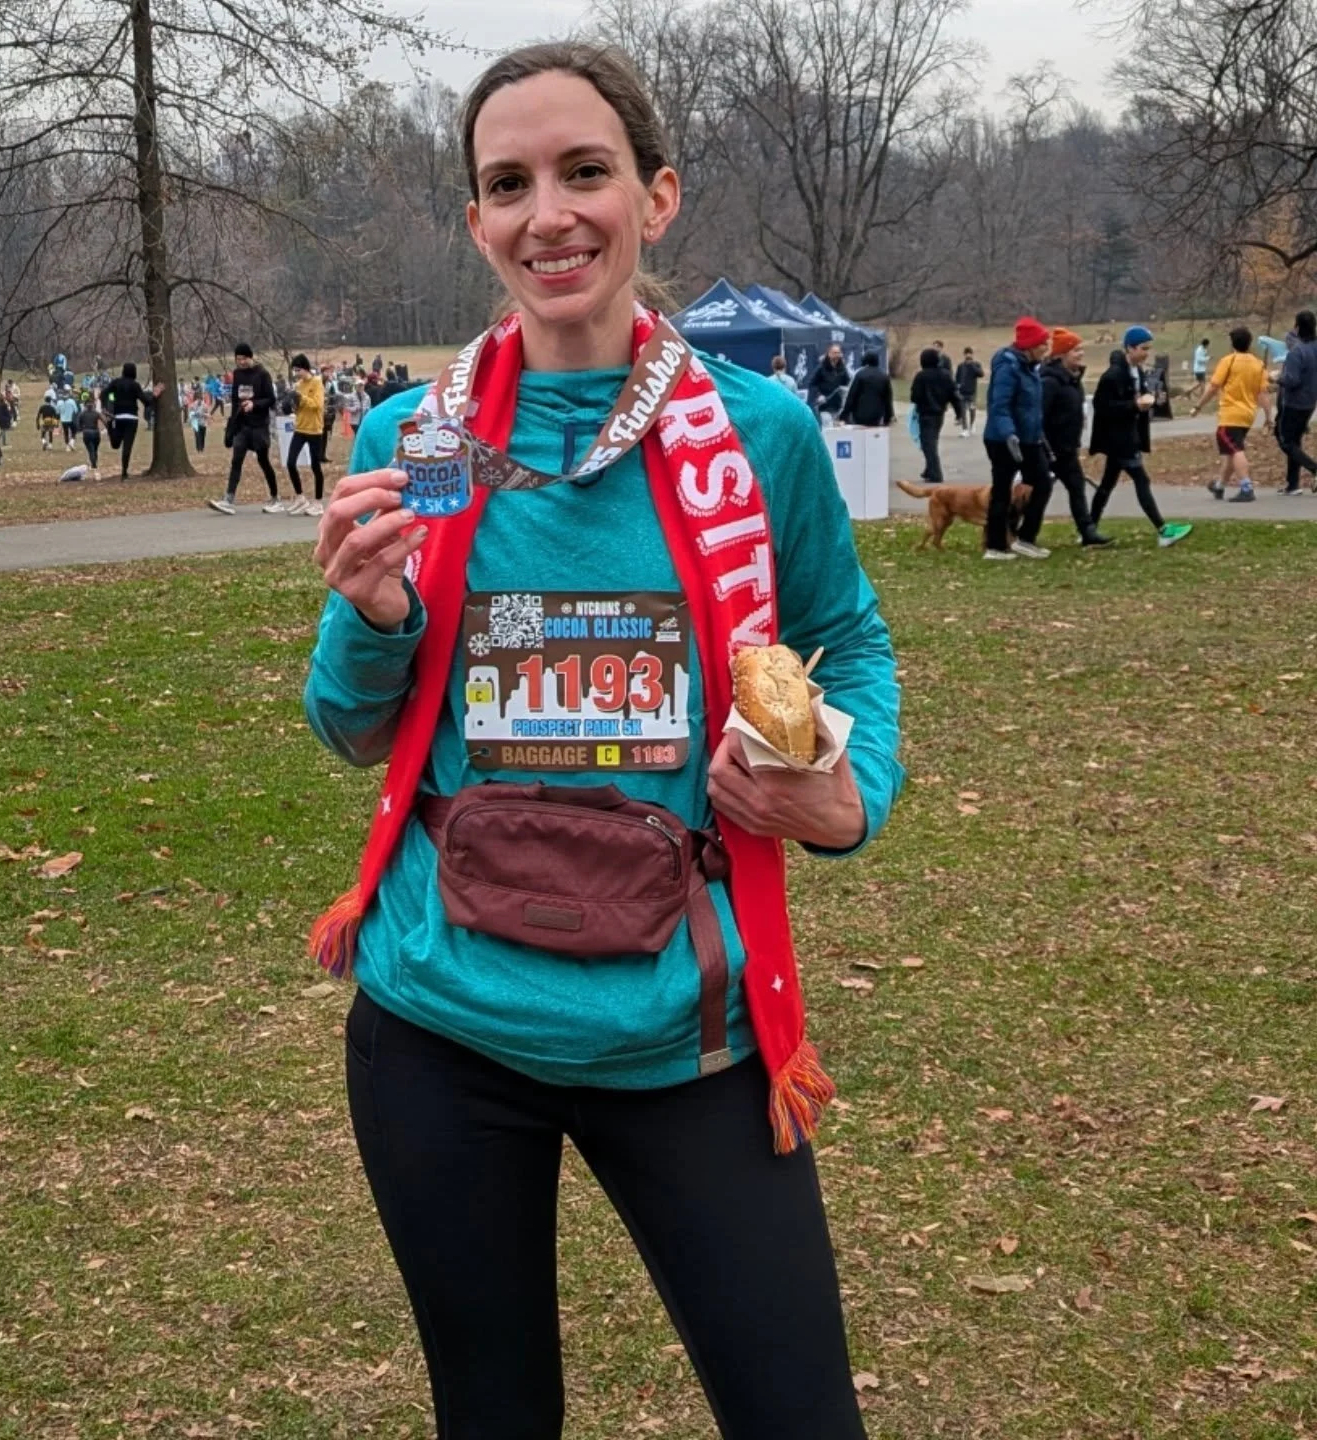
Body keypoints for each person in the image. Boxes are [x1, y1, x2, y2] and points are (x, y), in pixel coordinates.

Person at [305, 41, 902, 1440]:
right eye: (507, 184)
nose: (548, 214)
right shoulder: (429, 434)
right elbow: (350, 727)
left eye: (586, 172)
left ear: (658, 194)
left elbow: (849, 642)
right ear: (475, 222)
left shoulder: (753, 435)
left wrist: (845, 789)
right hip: (443, 1025)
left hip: (681, 1037)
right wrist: (374, 611)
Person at [1091, 326, 1192, 543]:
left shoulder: (1137, 371)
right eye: (1143, 348)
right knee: (1141, 480)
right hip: (1120, 439)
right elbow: (1103, 406)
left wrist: (1149, 400)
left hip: (1130, 436)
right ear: (1130, 348)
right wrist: (1134, 405)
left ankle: (1088, 529)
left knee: (1107, 485)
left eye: (1148, 348)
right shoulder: (1113, 375)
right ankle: (1163, 530)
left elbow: (1140, 395)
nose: (1147, 353)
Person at [982, 317, 1056, 560]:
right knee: (1002, 491)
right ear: (1029, 345)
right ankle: (995, 546)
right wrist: (1008, 434)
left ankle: (1025, 538)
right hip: (1003, 439)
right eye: (1043, 345)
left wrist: (1040, 437)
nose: (1046, 349)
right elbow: (999, 406)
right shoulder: (1008, 367)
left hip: (1028, 438)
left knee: (1043, 483)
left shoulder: (1030, 368)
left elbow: (1032, 409)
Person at [1040, 329, 1110, 547]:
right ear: (1061, 354)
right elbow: (1040, 416)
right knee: (1038, 492)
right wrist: (1044, 445)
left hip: (1068, 448)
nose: (1080, 354)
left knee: (1077, 487)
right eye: (1075, 350)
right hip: (1049, 447)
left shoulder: (1073, 379)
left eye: (1081, 349)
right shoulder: (1050, 381)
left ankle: (1087, 532)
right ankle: (1021, 532)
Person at [1191, 324, 1271, 504]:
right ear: (1249, 343)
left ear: (1232, 343)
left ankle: (1246, 488)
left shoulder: (1229, 361)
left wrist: (1198, 406)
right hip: (1248, 415)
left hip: (1230, 414)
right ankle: (1220, 485)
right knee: (1230, 451)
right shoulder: (1258, 364)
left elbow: (1213, 387)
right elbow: (1263, 393)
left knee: (1235, 450)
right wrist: (1268, 417)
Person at [208, 343, 282, 514]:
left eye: (243, 358)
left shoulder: (262, 374)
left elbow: (271, 399)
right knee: (236, 460)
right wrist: (232, 422)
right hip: (242, 425)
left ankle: (275, 497)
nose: (240, 362)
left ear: (250, 357)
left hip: (259, 425)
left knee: (263, 461)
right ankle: (229, 498)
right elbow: (235, 399)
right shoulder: (237, 374)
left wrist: (254, 404)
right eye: (238, 359)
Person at [1274, 310, 1317, 495]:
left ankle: (1313, 468)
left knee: (1284, 440)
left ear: (1297, 328)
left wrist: (1276, 377)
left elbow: (1292, 380)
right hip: (1310, 402)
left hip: (1293, 403)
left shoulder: (1296, 353)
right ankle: (1293, 484)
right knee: (1295, 441)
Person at [908, 345, 962, 484]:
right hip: (939, 414)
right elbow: (954, 396)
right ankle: (929, 469)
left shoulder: (921, 376)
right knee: (932, 442)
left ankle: (935, 473)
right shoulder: (946, 375)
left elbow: (914, 397)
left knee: (928, 444)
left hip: (925, 414)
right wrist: (959, 413)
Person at [102, 362, 164, 480]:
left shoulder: (116, 383)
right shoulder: (135, 385)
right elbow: (145, 401)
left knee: (115, 444)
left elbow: (104, 393)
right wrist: (155, 395)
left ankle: (109, 425)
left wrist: (109, 403)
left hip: (118, 417)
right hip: (131, 418)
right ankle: (124, 472)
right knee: (127, 446)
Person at [285, 353, 325, 515]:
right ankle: (300, 497)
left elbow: (317, 404)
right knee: (290, 462)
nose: (296, 373)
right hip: (300, 428)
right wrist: (289, 404)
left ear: (305, 368)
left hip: (314, 429)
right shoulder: (298, 384)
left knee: (315, 466)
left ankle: (318, 502)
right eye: (294, 370)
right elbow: (298, 406)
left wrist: (301, 397)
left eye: (298, 370)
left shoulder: (316, 382)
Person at [838, 350, 894, 427]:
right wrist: (888, 417)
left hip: (859, 414)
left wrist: (844, 415)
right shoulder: (884, 376)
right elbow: (888, 399)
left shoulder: (860, 374)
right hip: (877, 415)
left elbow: (851, 396)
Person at [806, 342, 850, 422]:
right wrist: (818, 395)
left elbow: (848, 383)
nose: (836, 355)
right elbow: (812, 384)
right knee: (827, 426)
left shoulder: (843, 369)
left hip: (837, 405)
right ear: (829, 354)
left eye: (838, 353)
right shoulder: (821, 368)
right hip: (824, 405)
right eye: (834, 353)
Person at [954, 346, 984, 436]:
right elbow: (957, 378)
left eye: (969, 353)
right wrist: (957, 388)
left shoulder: (976, 364)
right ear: (964, 354)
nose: (968, 355)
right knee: (963, 411)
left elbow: (981, 374)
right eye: (966, 353)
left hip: (972, 393)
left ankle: (972, 424)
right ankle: (965, 429)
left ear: (972, 354)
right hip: (962, 392)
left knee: (972, 409)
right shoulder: (961, 366)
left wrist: (972, 365)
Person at [78, 394, 103, 469]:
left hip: (87, 432)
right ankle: (94, 461)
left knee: (90, 449)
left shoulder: (82, 414)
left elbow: (79, 425)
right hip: (96, 432)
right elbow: (104, 420)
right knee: (95, 449)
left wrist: (81, 429)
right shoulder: (96, 413)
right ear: (93, 405)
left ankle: (93, 462)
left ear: (85, 406)